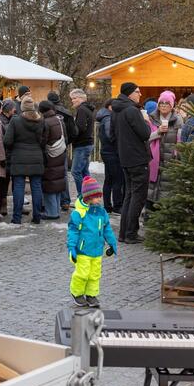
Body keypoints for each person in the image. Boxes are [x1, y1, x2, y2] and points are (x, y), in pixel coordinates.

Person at [67, 176, 118, 308]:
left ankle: (91, 294)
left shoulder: (101, 212)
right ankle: (77, 293)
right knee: (82, 273)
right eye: (97, 196)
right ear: (88, 197)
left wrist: (112, 243)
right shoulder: (79, 213)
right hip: (83, 250)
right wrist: (72, 248)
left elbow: (106, 228)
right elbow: (73, 231)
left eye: (100, 196)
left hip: (97, 251)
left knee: (95, 274)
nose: (99, 199)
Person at [111, 82, 150, 244]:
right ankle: (131, 233)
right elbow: (145, 134)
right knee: (137, 197)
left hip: (125, 158)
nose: (140, 94)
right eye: (137, 92)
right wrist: (146, 120)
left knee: (129, 195)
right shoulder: (132, 111)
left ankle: (124, 233)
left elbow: (112, 134)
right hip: (138, 158)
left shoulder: (116, 110)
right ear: (129, 94)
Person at [3, 96, 46, 225]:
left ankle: (17, 218)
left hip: (18, 157)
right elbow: (44, 140)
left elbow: (7, 141)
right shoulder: (41, 121)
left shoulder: (15, 121)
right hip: (36, 156)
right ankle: (37, 216)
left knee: (19, 187)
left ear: (21, 108)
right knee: (37, 187)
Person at [147, 91, 180, 213]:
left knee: (167, 189)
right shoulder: (151, 119)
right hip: (154, 159)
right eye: (161, 103)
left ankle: (165, 217)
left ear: (172, 105)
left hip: (170, 159)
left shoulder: (178, 120)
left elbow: (180, 141)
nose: (164, 105)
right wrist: (158, 132)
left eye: (167, 103)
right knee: (151, 189)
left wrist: (177, 155)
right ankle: (149, 216)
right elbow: (146, 138)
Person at [39, 100, 67, 219]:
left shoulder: (45, 122)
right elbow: (65, 137)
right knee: (57, 181)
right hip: (60, 152)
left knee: (49, 182)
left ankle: (52, 212)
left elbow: (42, 141)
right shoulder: (60, 120)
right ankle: (56, 210)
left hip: (50, 155)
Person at [95, 100, 124, 214]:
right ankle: (117, 206)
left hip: (108, 152)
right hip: (112, 153)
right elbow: (110, 135)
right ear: (111, 107)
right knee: (117, 180)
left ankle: (107, 205)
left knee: (109, 179)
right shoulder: (109, 118)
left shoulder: (105, 116)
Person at [69, 89, 95, 200]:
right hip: (86, 144)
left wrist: (71, 133)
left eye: (74, 98)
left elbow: (79, 128)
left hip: (82, 145)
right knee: (85, 172)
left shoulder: (82, 110)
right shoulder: (87, 109)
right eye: (72, 99)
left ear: (81, 98)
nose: (72, 101)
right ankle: (90, 195)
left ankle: (82, 197)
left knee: (75, 172)